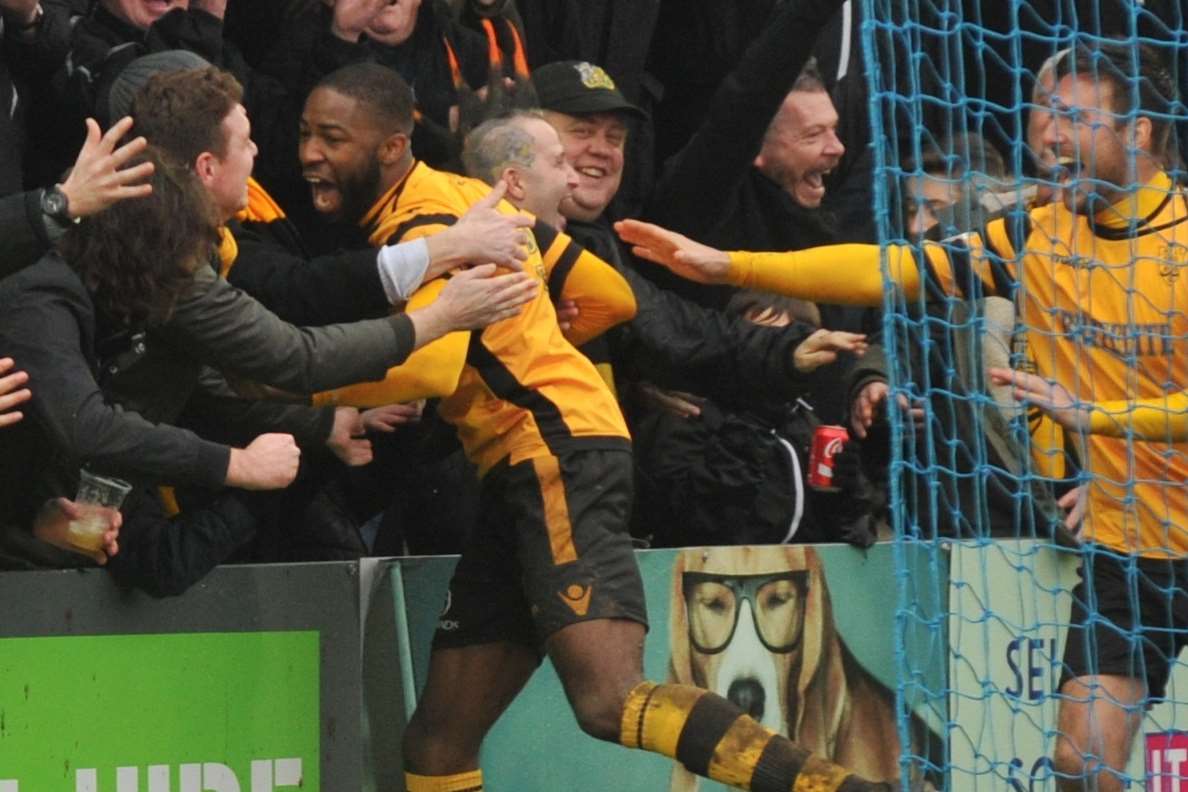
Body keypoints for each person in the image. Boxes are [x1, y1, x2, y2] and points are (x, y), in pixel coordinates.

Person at [299, 61, 885, 792]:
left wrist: (298, 383)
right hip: (522, 469)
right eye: (303, 135)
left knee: (609, 702)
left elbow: (427, 370)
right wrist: (559, 333)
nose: (307, 154)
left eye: (329, 138)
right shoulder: (471, 203)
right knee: (439, 738)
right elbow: (609, 294)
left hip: (554, 458)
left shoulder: (430, 222)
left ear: (389, 148)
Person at [619, 41, 1186, 792]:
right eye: (1043, 114)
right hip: (1133, 545)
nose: (1048, 136)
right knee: (1080, 764)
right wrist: (732, 265)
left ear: (1139, 133)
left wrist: (1100, 419)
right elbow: (890, 269)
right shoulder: (1037, 235)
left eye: (1074, 118)